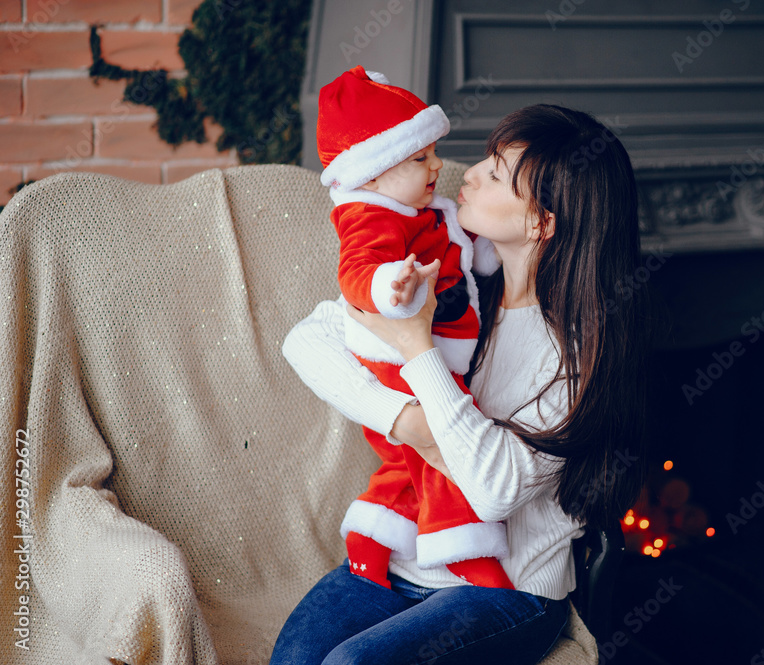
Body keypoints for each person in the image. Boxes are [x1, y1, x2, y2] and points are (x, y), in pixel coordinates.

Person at [272, 103, 648, 665]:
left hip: (509, 591)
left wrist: (415, 346)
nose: (466, 173)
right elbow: (306, 339)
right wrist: (410, 424)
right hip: (407, 557)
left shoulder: (577, 353)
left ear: (543, 222)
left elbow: (491, 491)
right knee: (295, 656)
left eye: (496, 173)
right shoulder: (459, 278)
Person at [316, 65, 510, 591]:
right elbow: (357, 272)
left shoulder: (423, 210)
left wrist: (494, 250)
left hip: (431, 346)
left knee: (403, 462)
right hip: (397, 356)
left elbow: (464, 255)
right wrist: (389, 286)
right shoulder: (368, 214)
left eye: (432, 153)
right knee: (440, 454)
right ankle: (465, 546)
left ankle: (372, 537)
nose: (437, 166)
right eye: (420, 158)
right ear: (374, 172)